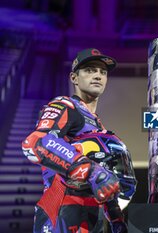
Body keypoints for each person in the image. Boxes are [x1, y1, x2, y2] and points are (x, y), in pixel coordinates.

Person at [22, 48, 128, 233]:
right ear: (74, 78)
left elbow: (104, 180)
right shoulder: (65, 105)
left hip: (91, 215)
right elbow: (36, 142)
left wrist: (115, 216)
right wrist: (92, 170)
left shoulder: (98, 125)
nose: (98, 76)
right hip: (60, 208)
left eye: (102, 72)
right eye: (89, 70)